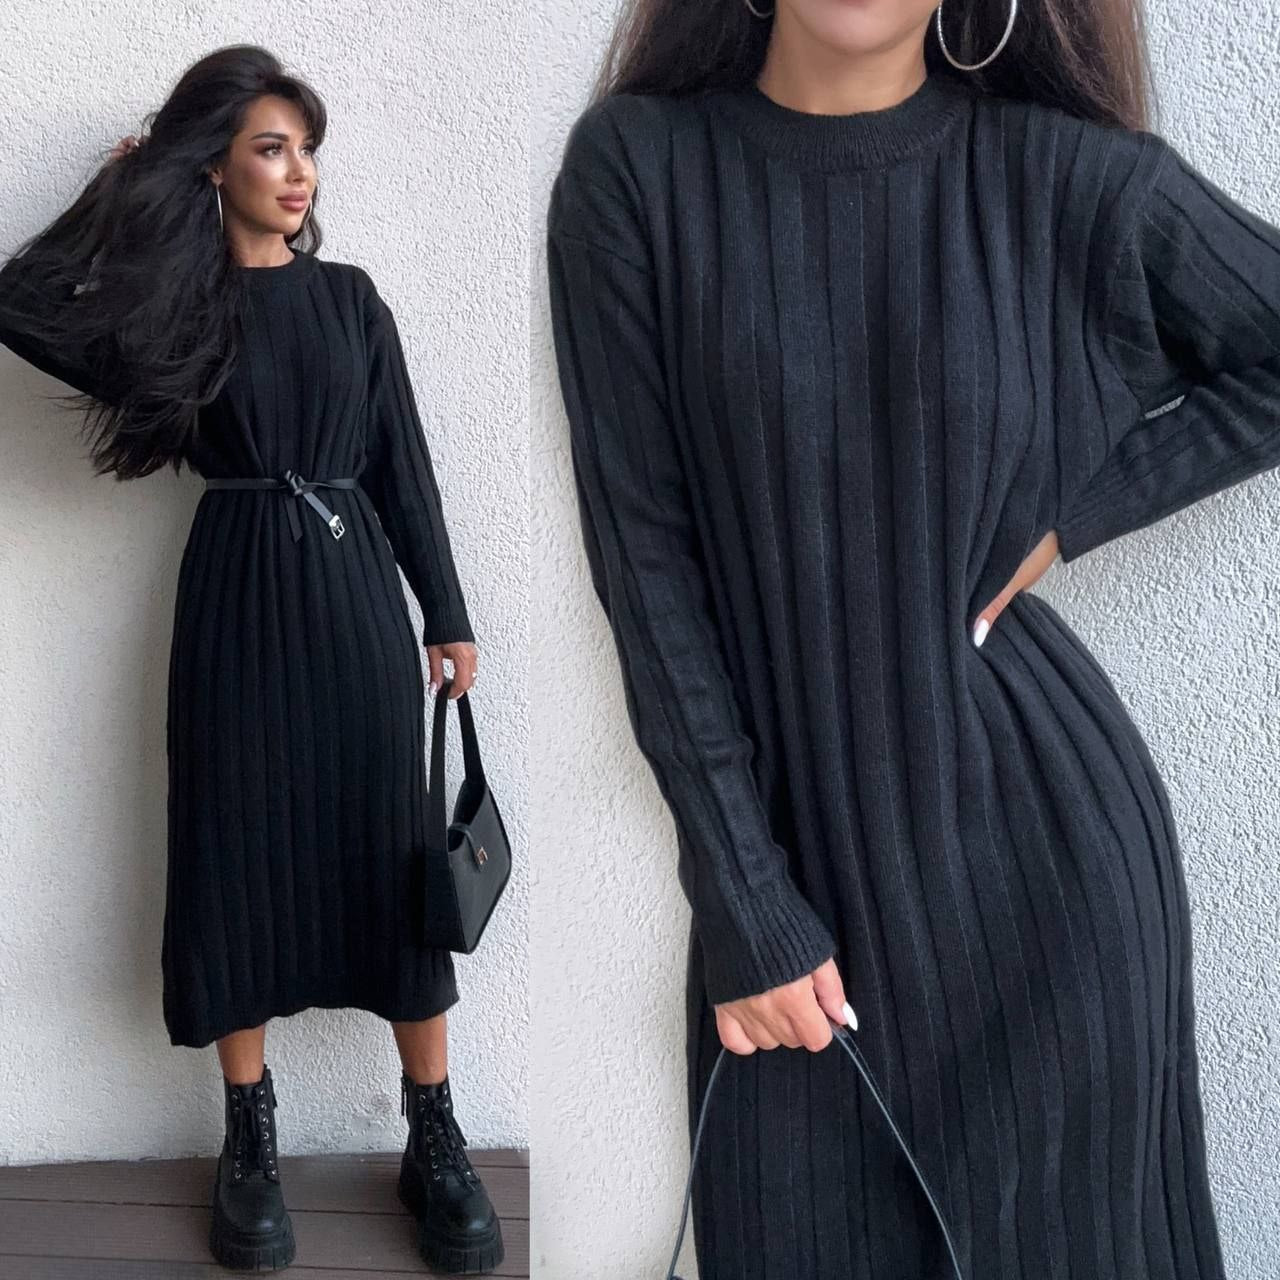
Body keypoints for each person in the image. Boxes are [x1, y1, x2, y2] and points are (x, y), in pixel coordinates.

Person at [545, 0, 1280, 1276]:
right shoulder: (637, 169)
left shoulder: (1064, 178)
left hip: (1052, 904)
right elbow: (645, 564)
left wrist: (1079, 513)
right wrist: (746, 900)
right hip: (795, 916)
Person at [0, 44, 503, 1276]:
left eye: (305, 148)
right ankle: (249, 1135)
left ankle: (432, 1132)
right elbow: (20, 303)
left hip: (352, 604)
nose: (298, 170)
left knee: (391, 853)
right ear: (214, 165)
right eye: (270, 147)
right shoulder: (178, 311)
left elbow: (404, 464)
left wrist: (445, 612)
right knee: (233, 852)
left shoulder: (352, 300)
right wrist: (121, 194)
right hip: (233, 599)